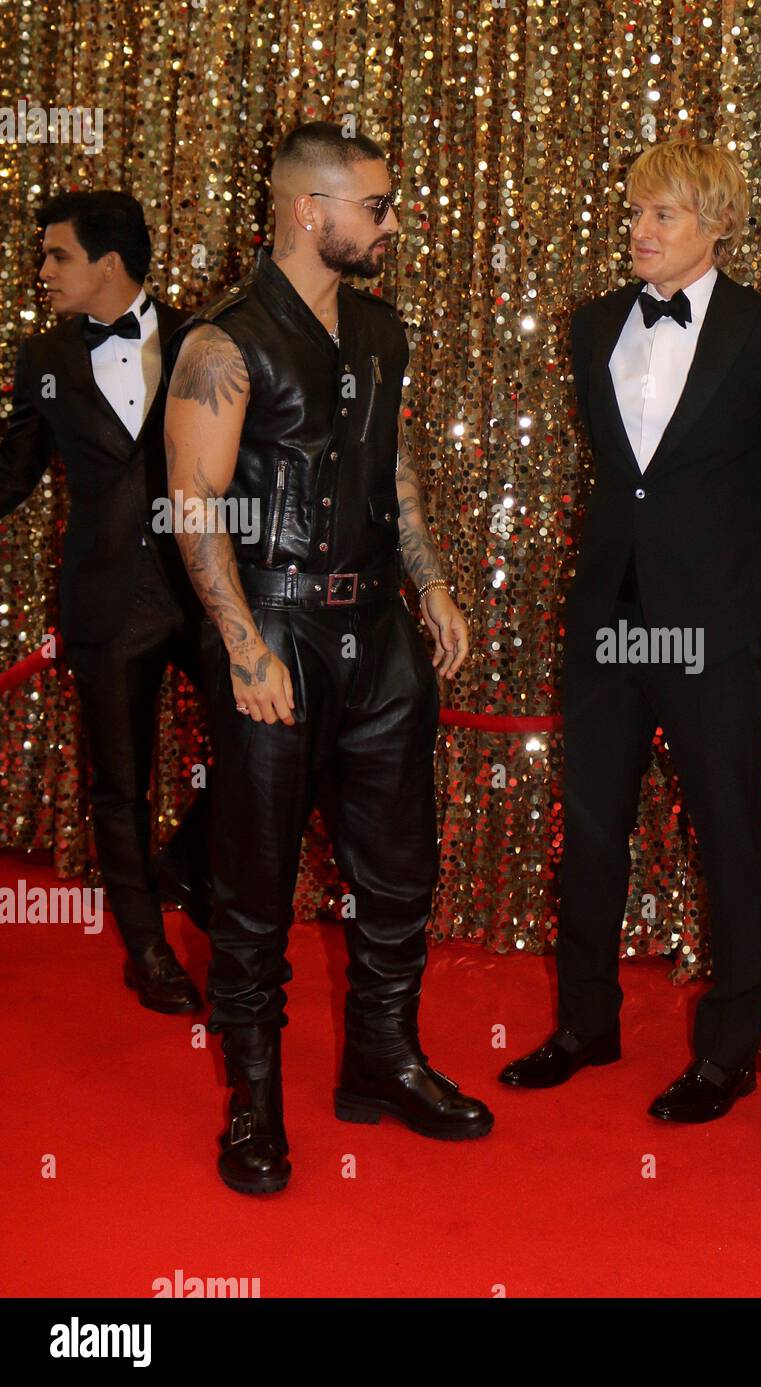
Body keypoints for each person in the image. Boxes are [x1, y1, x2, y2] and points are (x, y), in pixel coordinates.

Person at [163, 121, 492, 1196]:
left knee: (399, 872)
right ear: (312, 212)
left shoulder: (380, 332)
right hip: (274, 628)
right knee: (253, 889)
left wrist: (432, 580)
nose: (393, 224)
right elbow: (193, 504)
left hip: (379, 636)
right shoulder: (223, 342)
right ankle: (252, 1101)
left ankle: (382, 1060)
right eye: (378, 207)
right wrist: (245, 647)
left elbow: (388, 471)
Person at [500, 139, 761, 1122]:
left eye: (663, 216)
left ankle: (727, 1051)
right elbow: (623, 480)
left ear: (716, 224)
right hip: (607, 616)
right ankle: (583, 1024)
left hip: (709, 630)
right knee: (592, 824)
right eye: (636, 211)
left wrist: (740, 605)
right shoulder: (592, 322)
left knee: (727, 830)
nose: (639, 231)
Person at [0, 190, 211, 1015]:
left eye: (56, 256)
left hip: (203, 592)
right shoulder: (42, 355)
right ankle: (148, 948)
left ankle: (190, 864)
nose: (42, 270)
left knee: (274, 740)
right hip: (103, 601)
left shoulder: (204, 336)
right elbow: (15, 470)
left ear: (108, 264)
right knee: (120, 785)